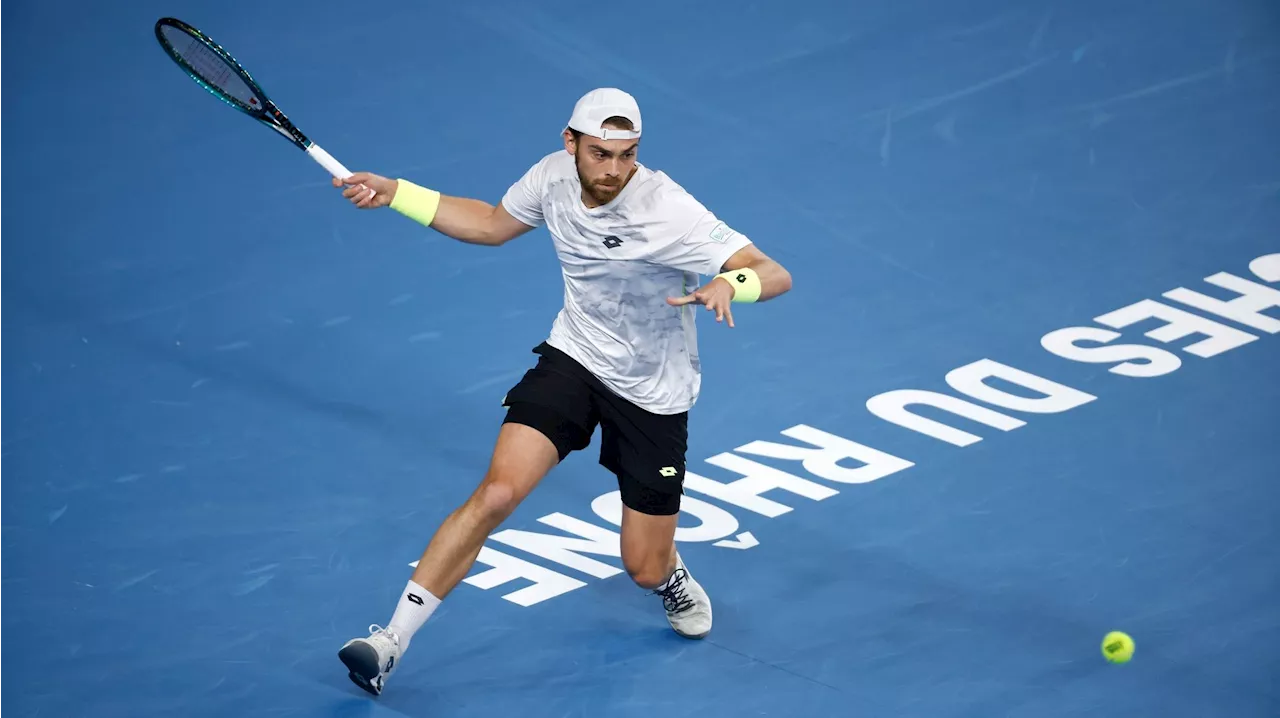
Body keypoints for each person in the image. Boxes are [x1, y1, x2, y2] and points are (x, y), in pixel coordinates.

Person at [331, 87, 792, 696]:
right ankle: (390, 640)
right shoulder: (551, 178)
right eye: (601, 153)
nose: (614, 169)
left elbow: (772, 271)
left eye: (627, 154)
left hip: (654, 391)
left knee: (643, 566)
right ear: (569, 142)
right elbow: (493, 224)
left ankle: (669, 575)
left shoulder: (668, 208)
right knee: (497, 493)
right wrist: (397, 193)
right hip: (574, 358)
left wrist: (733, 284)